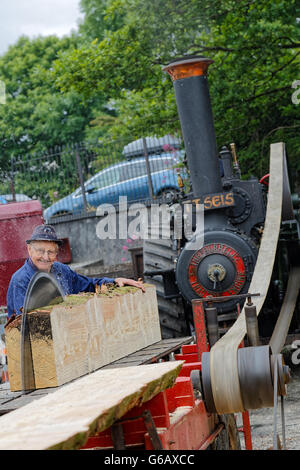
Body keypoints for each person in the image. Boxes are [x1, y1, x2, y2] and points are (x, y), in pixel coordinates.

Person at [6, 224, 145, 319]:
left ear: (57, 253)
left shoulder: (62, 270)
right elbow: (24, 324)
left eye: (51, 252)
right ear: (29, 249)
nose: (46, 257)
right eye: (40, 251)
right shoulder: (21, 280)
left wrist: (115, 281)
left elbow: (90, 285)